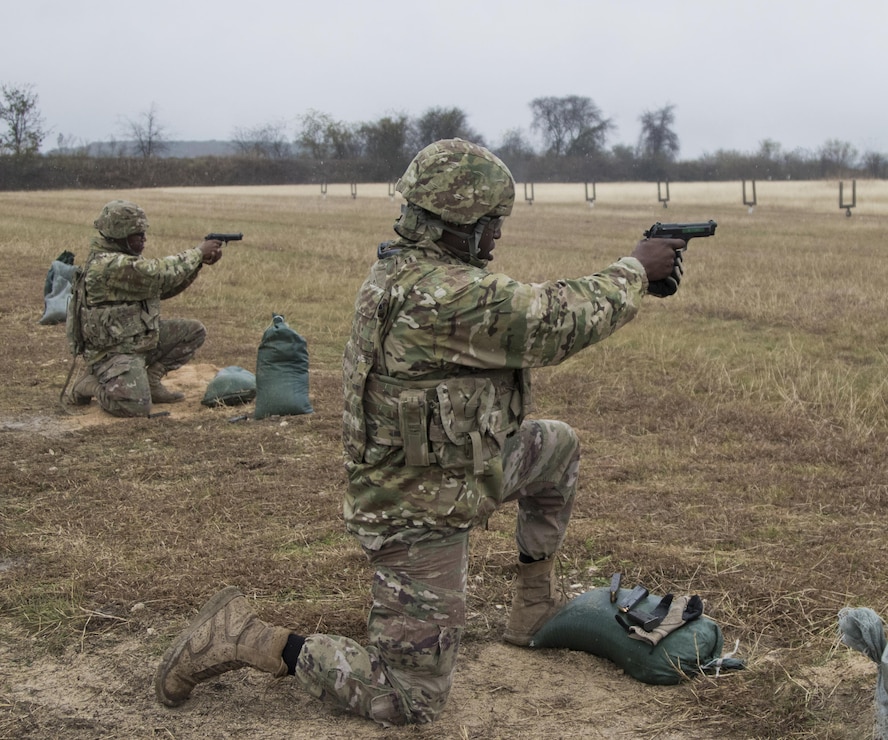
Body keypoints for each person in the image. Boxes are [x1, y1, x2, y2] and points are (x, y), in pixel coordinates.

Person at [154, 139, 686, 725]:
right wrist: (636, 267)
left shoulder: (416, 273)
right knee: (408, 699)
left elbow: (517, 306)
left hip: (460, 471)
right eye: (491, 223)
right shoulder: (437, 296)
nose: (498, 236)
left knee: (556, 446)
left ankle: (532, 607)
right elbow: (549, 320)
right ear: (455, 224)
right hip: (414, 511)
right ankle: (245, 637)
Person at [66, 199, 223, 417]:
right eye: (138, 234)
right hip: (112, 353)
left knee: (193, 331)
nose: (144, 239)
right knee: (135, 406)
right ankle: (89, 384)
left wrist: (198, 264)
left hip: (138, 341)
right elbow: (159, 274)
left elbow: (162, 288)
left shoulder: (123, 260)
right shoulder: (109, 266)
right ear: (120, 234)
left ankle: (151, 380)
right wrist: (197, 253)